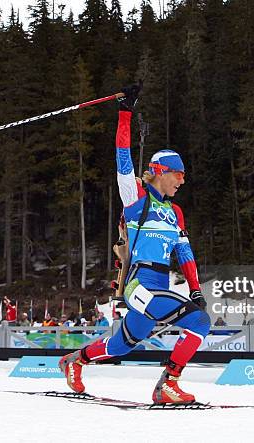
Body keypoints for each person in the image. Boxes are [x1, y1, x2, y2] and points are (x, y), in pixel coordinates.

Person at [59, 83, 211, 404]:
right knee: (199, 321)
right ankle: (168, 384)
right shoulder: (136, 197)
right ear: (159, 172)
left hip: (160, 282)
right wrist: (125, 112)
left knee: (123, 345)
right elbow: (122, 157)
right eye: (178, 174)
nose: (182, 180)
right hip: (139, 283)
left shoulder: (176, 213)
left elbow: (184, 253)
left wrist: (195, 288)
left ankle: (76, 361)